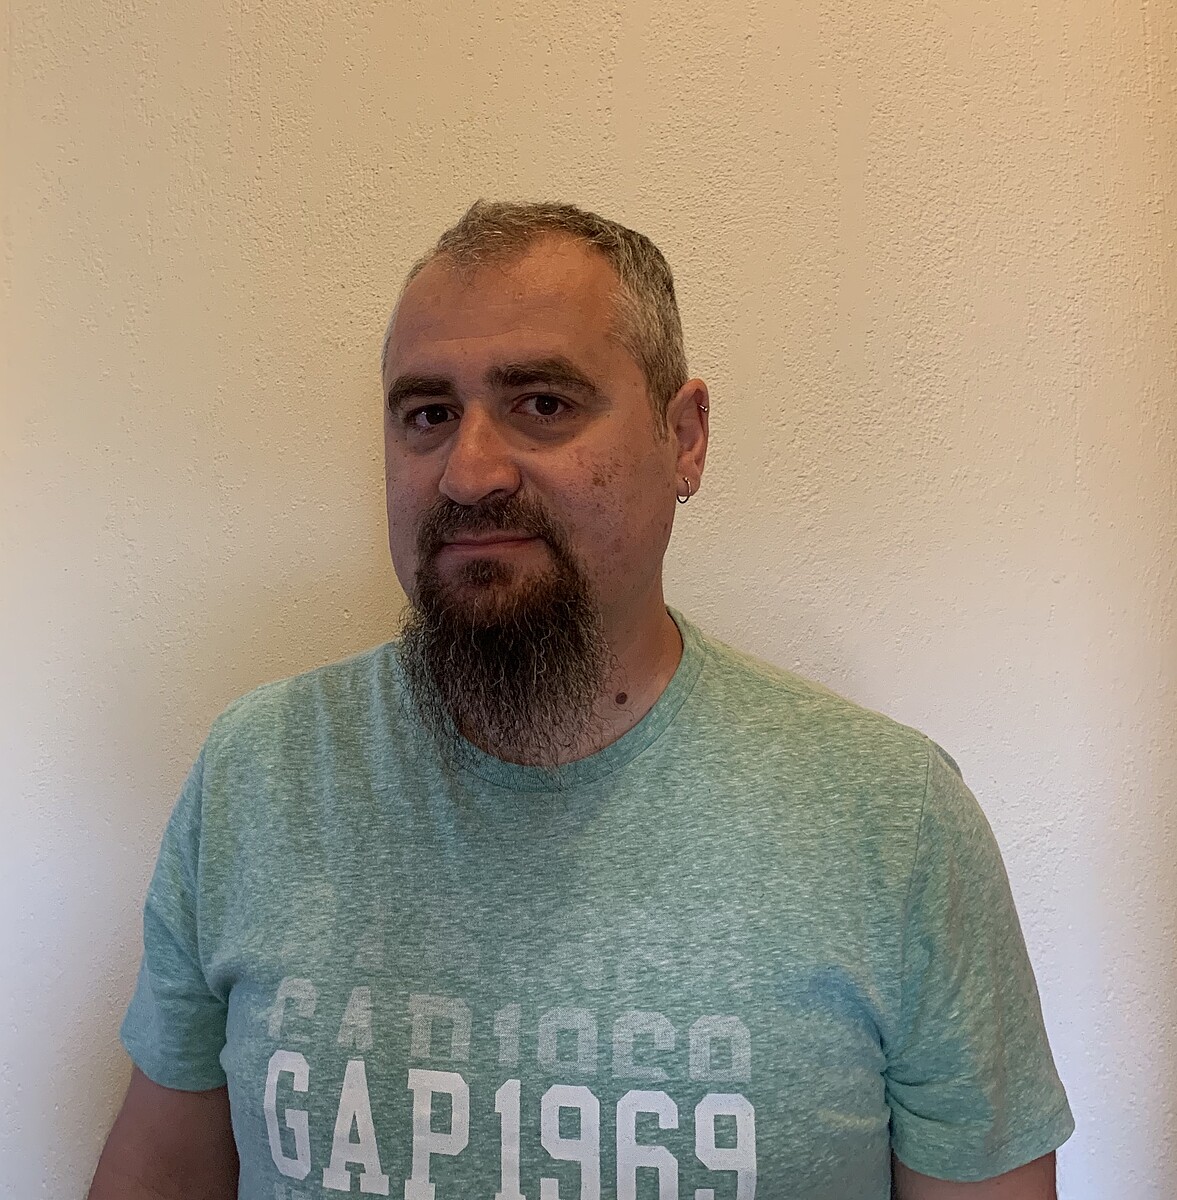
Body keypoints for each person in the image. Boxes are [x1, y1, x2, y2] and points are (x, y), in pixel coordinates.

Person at [89, 200, 1074, 1200]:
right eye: (427, 415)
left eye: (543, 404)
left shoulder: (891, 817)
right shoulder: (259, 771)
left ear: (683, 437)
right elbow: (160, 1172)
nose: (469, 473)